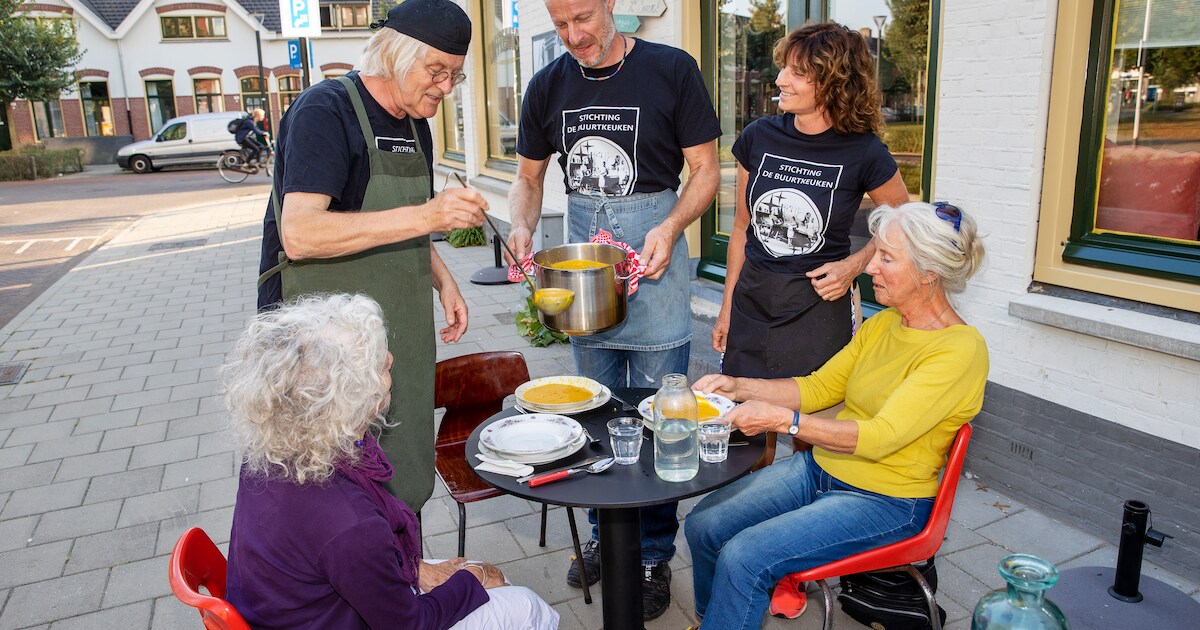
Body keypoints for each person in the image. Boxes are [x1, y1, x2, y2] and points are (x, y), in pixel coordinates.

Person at [505, 0, 721, 619]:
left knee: (660, 422)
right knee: (589, 417)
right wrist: (522, 226)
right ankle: (606, 537)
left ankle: (652, 554)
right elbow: (527, 177)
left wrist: (674, 226)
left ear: (611, 6)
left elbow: (706, 170)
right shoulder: (548, 84)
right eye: (561, 26)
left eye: (584, 19)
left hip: (655, 269)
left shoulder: (672, 71)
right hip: (583, 279)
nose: (575, 37)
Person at [685, 201, 988, 628]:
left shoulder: (959, 351)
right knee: (704, 525)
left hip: (887, 501)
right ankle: (716, 619)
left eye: (886, 258)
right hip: (822, 469)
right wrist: (739, 387)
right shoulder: (884, 325)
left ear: (928, 273)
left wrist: (782, 422)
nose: (871, 269)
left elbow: (881, 435)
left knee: (744, 556)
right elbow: (819, 387)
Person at [255, 0, 489, 514]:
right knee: (334, 488)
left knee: (403, 470)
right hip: (323, 351)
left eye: (455, 76)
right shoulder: (325, 112)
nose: (447, 89)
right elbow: (301, 234)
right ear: (394, 54)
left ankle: (406, 575)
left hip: (397, 333)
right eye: (437, 72)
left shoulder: (414, 125)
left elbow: (404, 218)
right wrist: (430, 216)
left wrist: (443, 280)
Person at [224, 294, 559, 630]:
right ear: (350, 398)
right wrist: (473, 579)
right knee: (525, 604)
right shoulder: (349, 523)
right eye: (375, 363)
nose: (389, 358)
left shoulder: (267, 451)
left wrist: (414, 567)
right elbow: (410, 624)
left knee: (497, 590)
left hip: (291, 608)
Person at [711, 23, 911, 463]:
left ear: (835, 80)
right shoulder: (760, 136)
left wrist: (853, 266)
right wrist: (726, 307)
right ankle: (747, 518)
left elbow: (904, 224)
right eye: (783, 68)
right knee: (744, 434)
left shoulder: (864, 152)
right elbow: (744, 227)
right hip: (753, 302)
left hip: (816, 308)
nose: (780, 79)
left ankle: (796, 517)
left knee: (811, 438)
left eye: (798, 72)